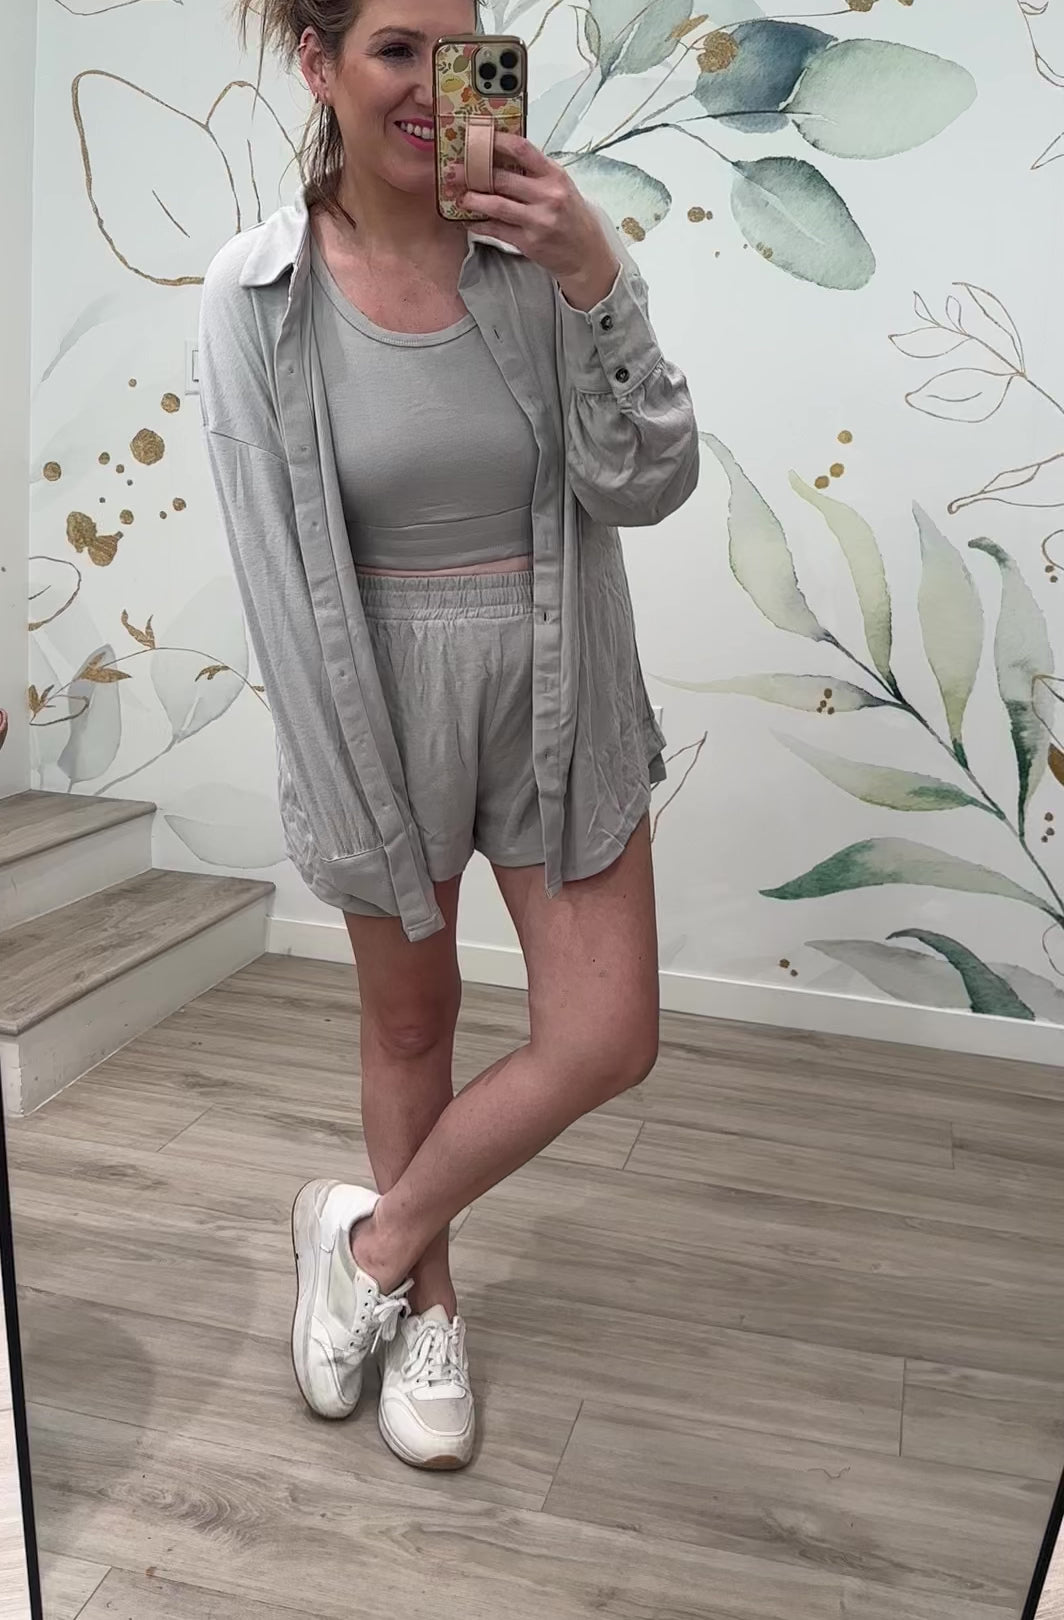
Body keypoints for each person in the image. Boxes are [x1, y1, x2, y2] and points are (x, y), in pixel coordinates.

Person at [200, 0, 699, 1471]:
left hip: (559, 680)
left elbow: (647, 485)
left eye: (462, 50)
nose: (432, 86)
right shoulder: (256, 296)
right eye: (394, 49)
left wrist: (598, 274)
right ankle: (430, 1305)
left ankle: (366, 1241)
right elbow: (270, 571)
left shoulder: (542, 262)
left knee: (605, 1037)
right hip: (376, 699)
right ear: (318, 64)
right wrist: (341, 783)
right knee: (412, 1025)